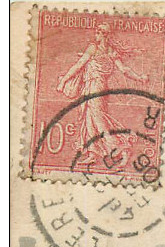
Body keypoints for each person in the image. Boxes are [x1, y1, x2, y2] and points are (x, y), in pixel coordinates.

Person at [55, 23, 149, 166]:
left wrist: (63, 81)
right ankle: (93, 152)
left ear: (104, 34)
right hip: (96, 87)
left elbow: (79, 65)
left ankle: (121, 147)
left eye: (98, 32)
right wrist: (140, 77)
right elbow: (124, 70)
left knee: (99, 120)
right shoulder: (111, 51)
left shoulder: (94, 48)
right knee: (89, 119)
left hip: (95, 87)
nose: (96, 34)